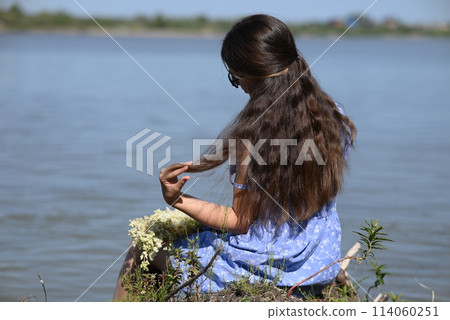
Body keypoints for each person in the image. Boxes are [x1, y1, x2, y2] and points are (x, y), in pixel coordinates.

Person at [114, 14, 356, 300]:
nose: (239, 86)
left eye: (235, 77)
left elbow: (239, 221)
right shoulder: (333, 116)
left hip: (267, 266)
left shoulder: (254, 138)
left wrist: (177, 200)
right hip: (318, 261)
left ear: (253, 72)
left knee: (142, 246)